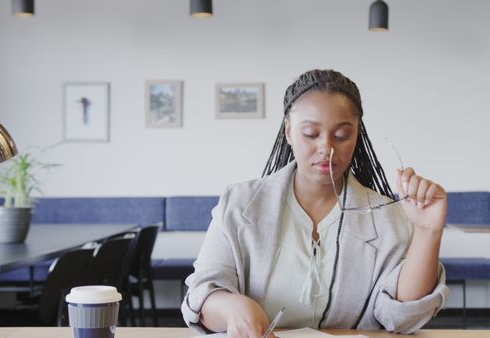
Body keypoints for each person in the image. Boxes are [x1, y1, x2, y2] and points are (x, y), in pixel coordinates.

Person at [181, 69, 449, 337]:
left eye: (342, 135)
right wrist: (229, 307)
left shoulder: (387, 216)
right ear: (288, 131)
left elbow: (400, 317)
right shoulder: (239, 204)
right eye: (310, 133)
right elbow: (202, 293)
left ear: (357, 135)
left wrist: (428, 232)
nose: (326, 148)